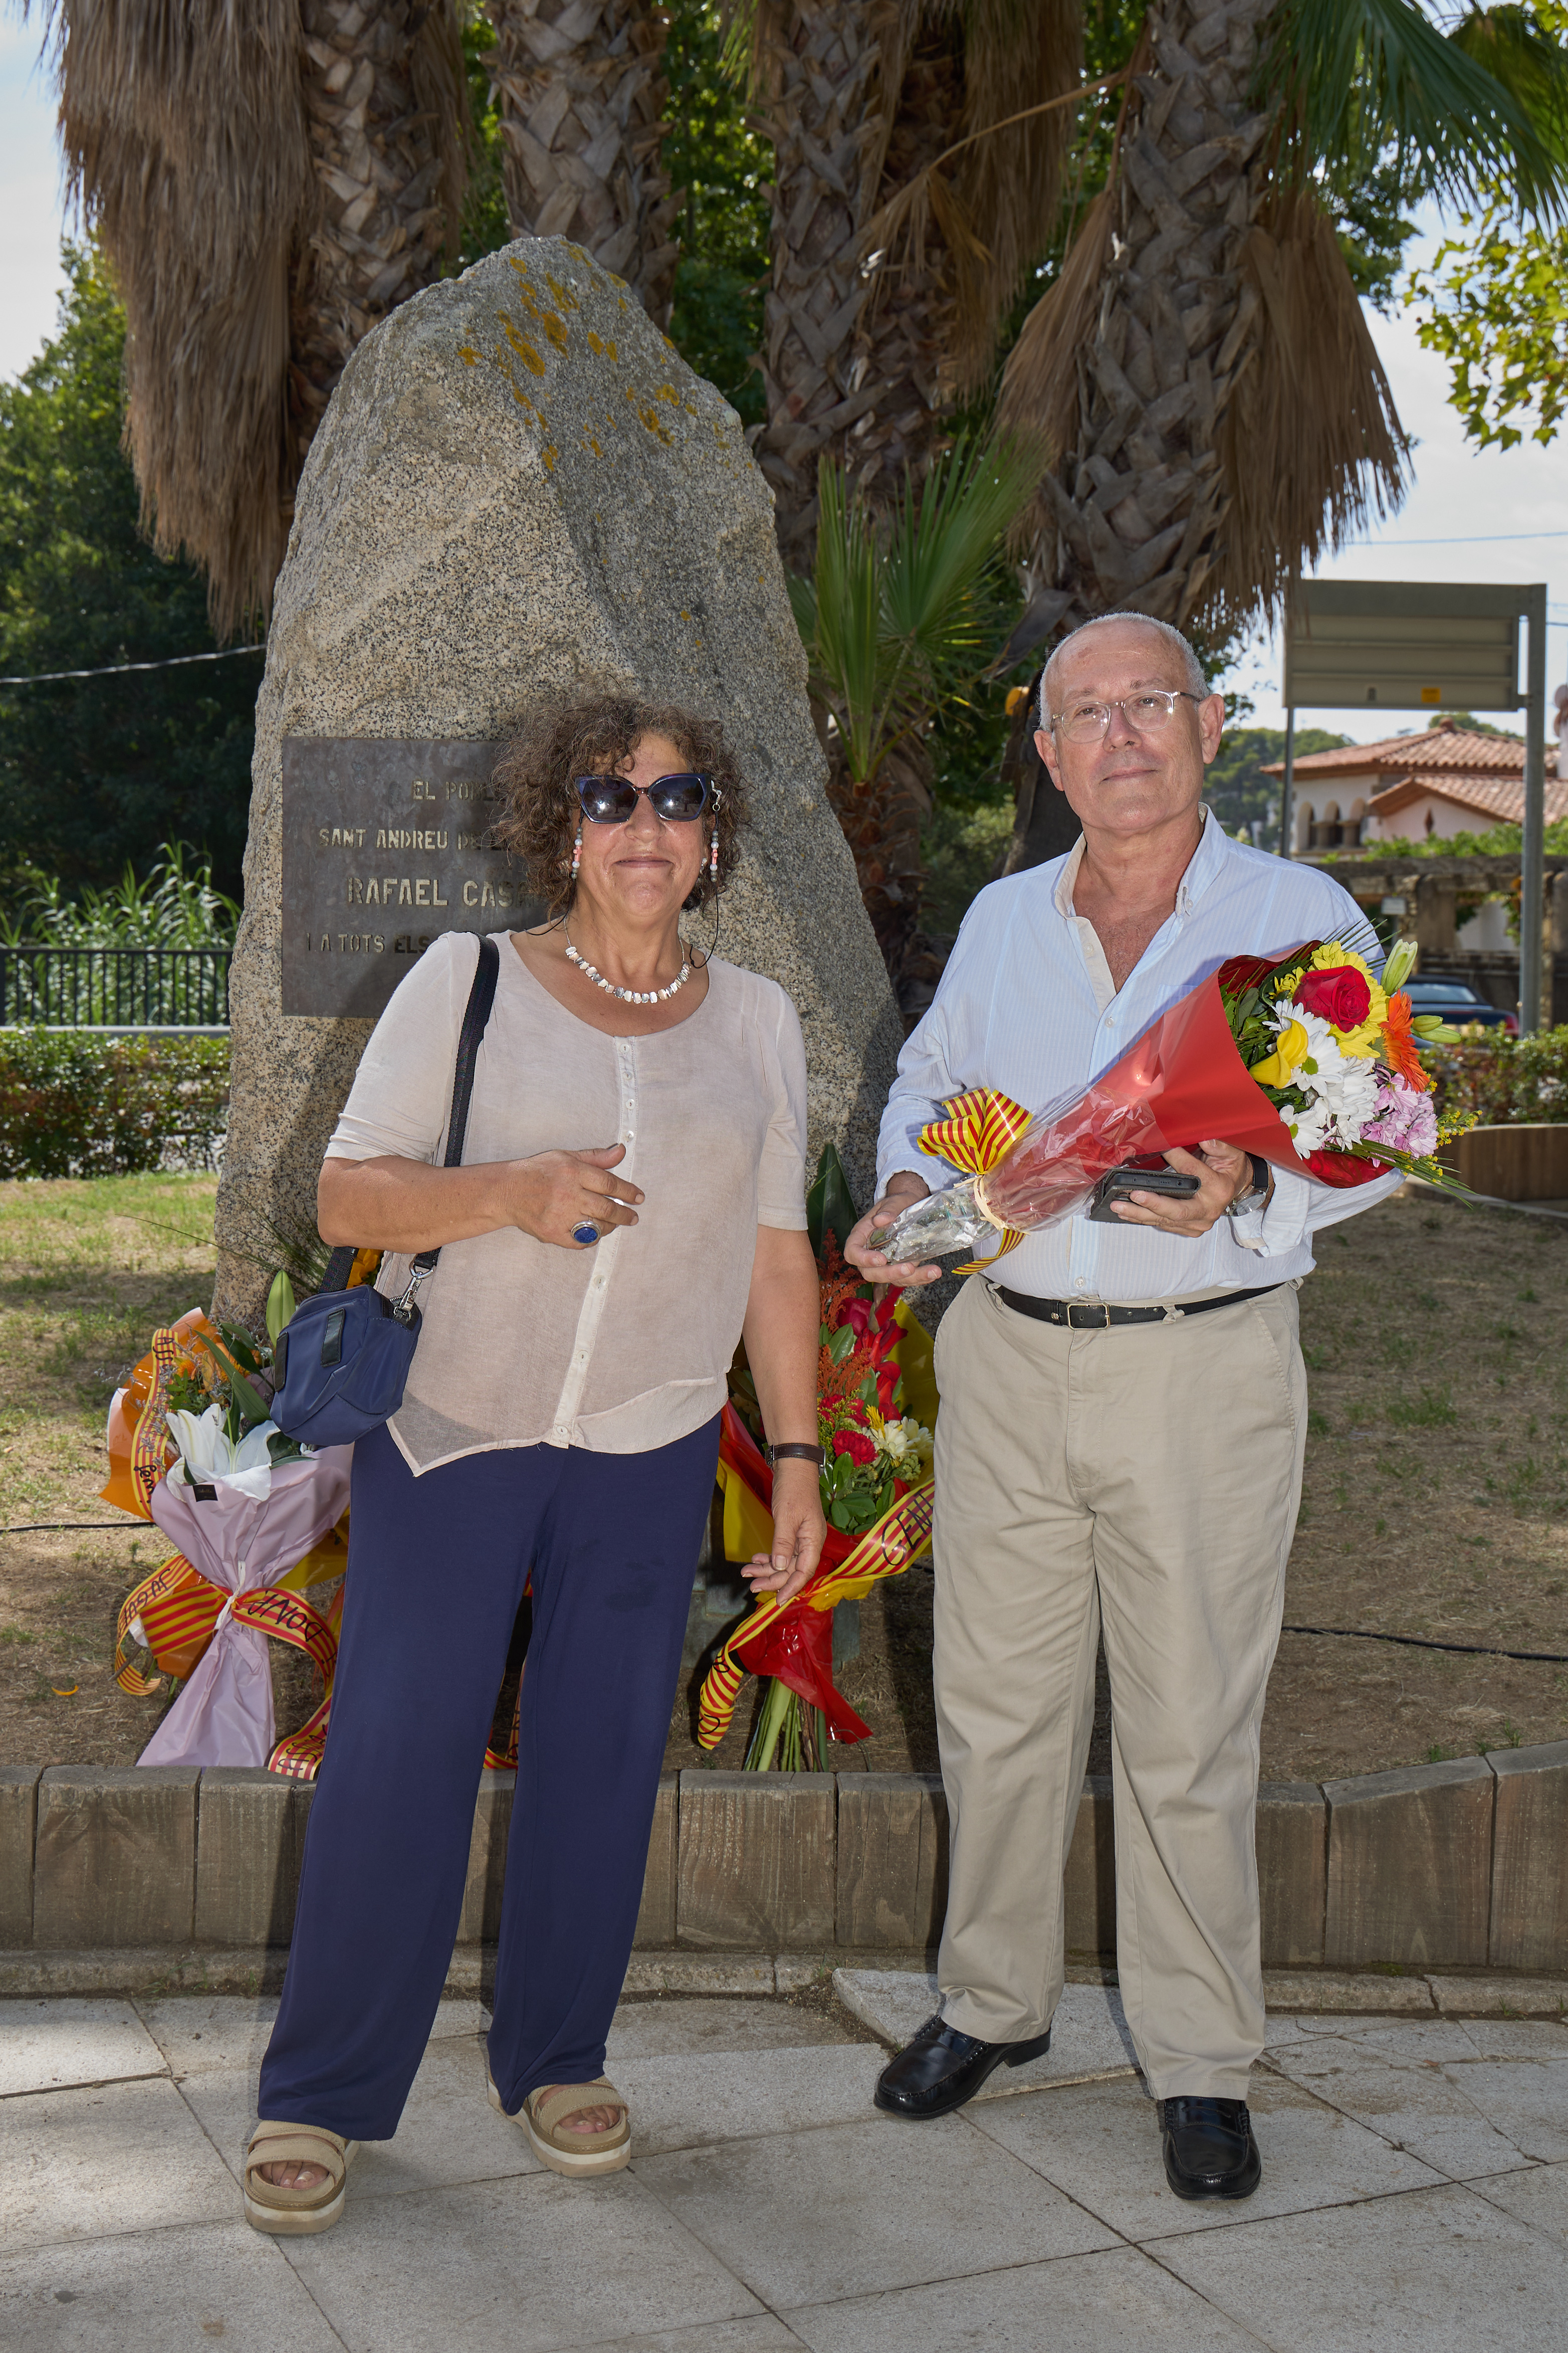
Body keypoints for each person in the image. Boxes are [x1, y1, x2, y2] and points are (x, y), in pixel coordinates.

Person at [244, 693, 826, 2234]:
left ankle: (561, 2057)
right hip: (456, 1436)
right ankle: (321, 2092)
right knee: (393, 1760)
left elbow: (778, 1262)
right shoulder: (471, 980)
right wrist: (508, 1191)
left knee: (601, 1760)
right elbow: (352, 1199)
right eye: (612, 800)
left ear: (714, 837)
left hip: (647, 1445)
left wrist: (801, 1460)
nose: (647, 829)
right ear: (558, 826)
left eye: (679, 800)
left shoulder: (761, 1021)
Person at [846, 613, 1401, 2203]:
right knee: (996, 1709)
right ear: (1047, 753)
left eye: (1148, 702)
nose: (1120, 735)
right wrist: (907, 1187)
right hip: (1010, 1351)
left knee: (1187, 1727)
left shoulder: (1292, 913)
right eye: (1084, 713)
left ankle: (1202, 2062)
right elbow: (939, 1088)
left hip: (1202, 1361)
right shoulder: (1007, 918)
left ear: (1208, 725)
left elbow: (1372, 1132)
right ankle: (991, 2005)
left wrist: (1247, 1191)